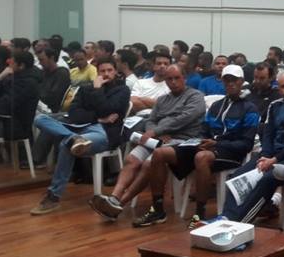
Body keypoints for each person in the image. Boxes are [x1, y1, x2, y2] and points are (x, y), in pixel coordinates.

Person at [136, 64, 259, 227]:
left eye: (234, 80)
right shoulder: (216, 106)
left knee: (201, 157)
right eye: (227, 80)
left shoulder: (250, 108)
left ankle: (199, 213)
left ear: (242, 81)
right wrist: (198, 141)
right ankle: (158, 210)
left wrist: (217, 143)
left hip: (231, 151)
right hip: (207, 146)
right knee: (160, 153)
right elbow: (204, 130)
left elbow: (246, 143)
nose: (230, 83)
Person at [90, 65, 206, 221]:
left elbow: (184, 118)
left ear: (184, 78)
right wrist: (155, 132)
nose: (173, 82)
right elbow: (151, 120)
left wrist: (156, 131)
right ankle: (114, 197)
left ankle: (119, 204)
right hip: (158, 139)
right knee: (131, 159)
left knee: (148, 164)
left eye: (177, 78)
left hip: (181, 140)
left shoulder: (195, 96)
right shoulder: (163, 99)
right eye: (169, 79)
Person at [29, 57, 129, 214]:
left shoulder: (122, 90)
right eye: (102, 71)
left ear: (116, 72)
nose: (106, 74)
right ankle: (74, 138)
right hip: (79, 128)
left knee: (67, 144)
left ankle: (53, 197)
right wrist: (98, 117)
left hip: (104, 132)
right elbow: (74, 113)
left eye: (110, 70)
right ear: (97, 72)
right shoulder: (85, 88)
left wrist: (97, 90)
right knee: (40, 119)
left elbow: (107, 109)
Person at [222, 71, 284, 223]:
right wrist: (266, 155)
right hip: (271, 154)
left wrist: (273, 160)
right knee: (237, 176)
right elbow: (268, 134)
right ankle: (226, 216)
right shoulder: (275, 106)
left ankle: (238, 221)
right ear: (279, 89)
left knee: (266, 178)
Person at [128, 51, 171, 116]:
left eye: (166, 64)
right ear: (153, 66)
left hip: (160, 118)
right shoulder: (140, 82)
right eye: (159, 63)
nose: (162, 66)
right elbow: (133, 103)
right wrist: (157, 105)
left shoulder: (172, 86)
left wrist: (144, 99)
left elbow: (169, 108)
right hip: (139, 118)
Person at [246, 62, 281, 128]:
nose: (258, 81)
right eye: (256, 77)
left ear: (271, 78)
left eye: (262, 78)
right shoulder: (246, 91)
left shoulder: (276, 96)